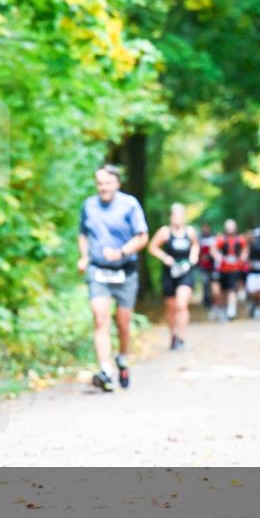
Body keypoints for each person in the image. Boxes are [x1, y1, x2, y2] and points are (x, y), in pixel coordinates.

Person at [77, 164, 149, 391]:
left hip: (125, 269)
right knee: (100, 318)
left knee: (123, 322)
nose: (103, 187)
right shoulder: (89, 205)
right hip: (98, 270)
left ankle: (122, 358)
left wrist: (122, 252)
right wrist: (84, 257)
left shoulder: (130, 205)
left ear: (117, 184)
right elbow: (82, 233)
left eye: (108, 183)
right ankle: (106, 371)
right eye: (99, 183)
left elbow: (143, 237)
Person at [148, 204, 199, 350]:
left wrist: (193, 256)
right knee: (171, 308)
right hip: (169, 273)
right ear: (171, 217)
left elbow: (196, 245)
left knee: (181, 305)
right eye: (175, 215)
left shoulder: (190, 232)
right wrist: (164, 257)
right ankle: (173, 336)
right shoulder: (164, 232)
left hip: (185, 272)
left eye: (180, 216)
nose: (177, 219)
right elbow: (152, 247)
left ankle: (182, 338)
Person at [210, 219, 247, 321]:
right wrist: (219, 257)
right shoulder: (221, 239)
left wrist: (242, 258)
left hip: (234, 268)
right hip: (221, 269)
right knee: (219, 292)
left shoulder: (240, 239)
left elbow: (245, 250)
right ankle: (221, 308)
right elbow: (213, 250)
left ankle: (231, 311)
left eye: (232, 226)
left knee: (232, 289)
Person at [245, 227, 260, 319]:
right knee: (252, 292)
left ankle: (258, 308)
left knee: (259, 292)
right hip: (252, 273)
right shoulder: (250, 247)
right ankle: (252, 304)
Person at [197, 222, 215, 310]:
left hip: (213, 266)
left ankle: (212, 301)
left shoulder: (213, 238)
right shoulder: (199, 239)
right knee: (205, 283)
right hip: (203, 266)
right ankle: (206, 300)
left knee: (212, 284)